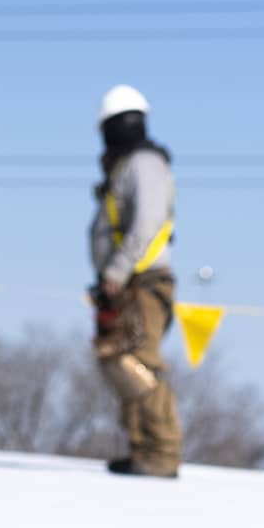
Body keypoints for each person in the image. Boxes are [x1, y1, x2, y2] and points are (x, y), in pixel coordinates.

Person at [89, 84, 183, 478]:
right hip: (124, 284)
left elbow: (146, 222)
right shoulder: (127, 167)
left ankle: (161, 452)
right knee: (117, 361)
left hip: (141, 281)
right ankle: (141, 448)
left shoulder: (144, 164)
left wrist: (116, 270)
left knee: (140, 363)